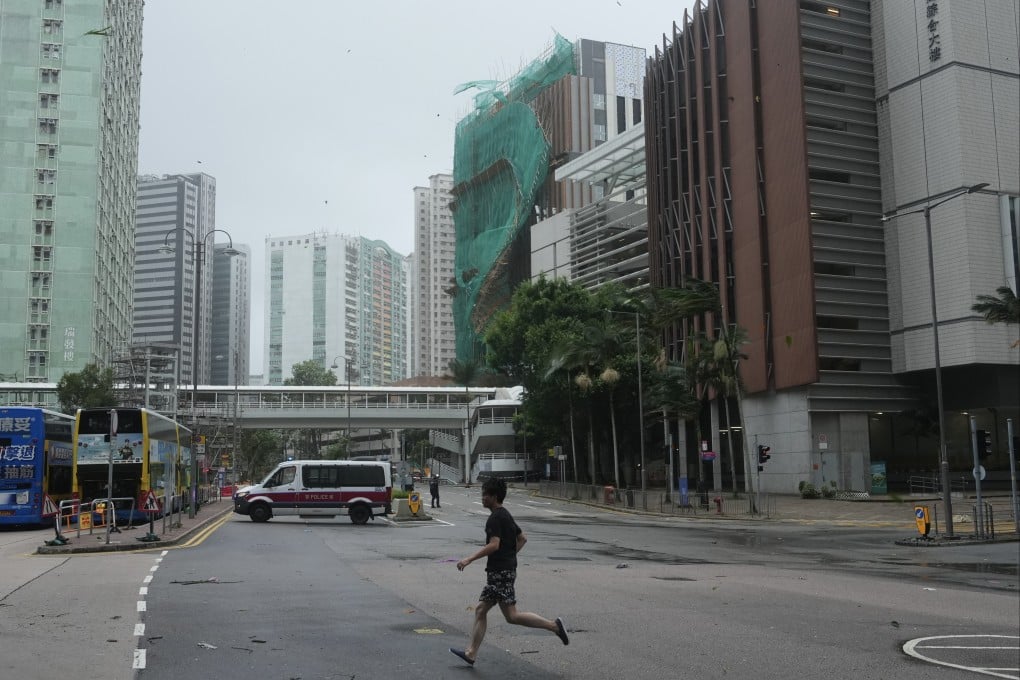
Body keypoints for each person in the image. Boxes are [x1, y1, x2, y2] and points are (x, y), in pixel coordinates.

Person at [450, 478, 568, 667]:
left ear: (494, 496)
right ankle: (471, 653)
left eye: (486, 495)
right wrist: (510, 557)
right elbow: (522, 538)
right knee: (493, 613)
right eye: (482, 494)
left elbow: (494, 544)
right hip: (504, 571)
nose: (482, 498)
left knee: (500, 613)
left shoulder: (495, 518)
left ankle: (554, 626)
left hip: (500, 573)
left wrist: (469, 559)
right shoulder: (506, 515)